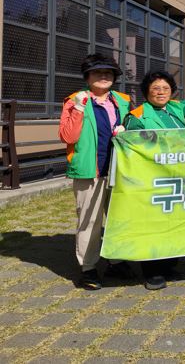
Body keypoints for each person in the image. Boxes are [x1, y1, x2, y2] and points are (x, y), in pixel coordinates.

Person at [123, 63, 185, 290]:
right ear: (146, 91)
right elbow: (133, 148)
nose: (161, 92)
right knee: (153, 224)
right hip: (153, 179)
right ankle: (152, 271)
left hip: (179, 176)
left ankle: (169, 263)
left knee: (174, 222)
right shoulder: (137, 116)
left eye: (165, 88)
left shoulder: (176, 108)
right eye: (155, 88)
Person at [59, 54, 133, 290]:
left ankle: (116, 260)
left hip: (118, 169)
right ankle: (88, 269)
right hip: (89, 170)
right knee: (89, 221)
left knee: (117, 217)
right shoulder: (74, 100)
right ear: (87, 77)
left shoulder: (122, 101)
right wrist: (79, 108)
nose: (104, 76)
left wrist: (125, 130)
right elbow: (67, 136)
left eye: (109, 73)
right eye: (98, 72)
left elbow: (133, 130)